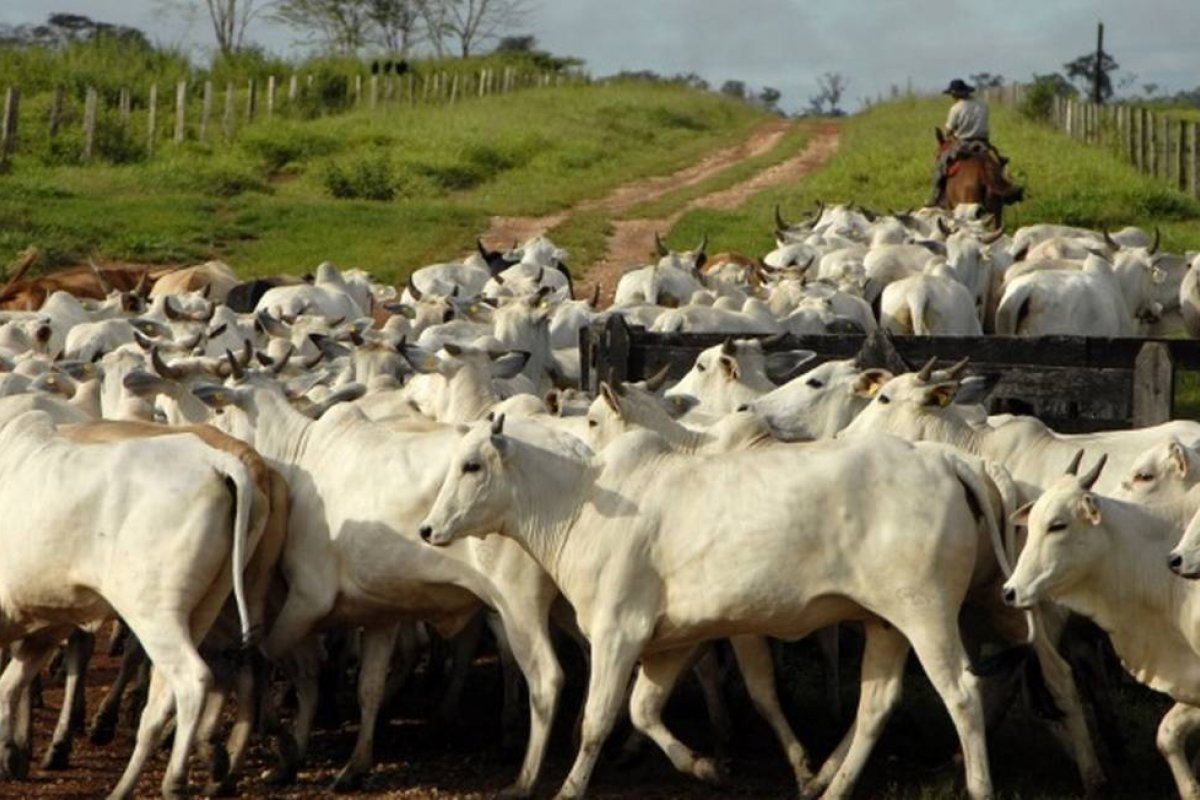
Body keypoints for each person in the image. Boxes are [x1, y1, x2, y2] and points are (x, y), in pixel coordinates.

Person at [928, 78, 1002, 206]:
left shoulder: (956, 108)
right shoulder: (983, 104)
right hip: (983, 142)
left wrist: (948, 134)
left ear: (955, 94)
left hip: (963, 143)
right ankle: (1006, 185)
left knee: (942, 164)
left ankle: (936, 195)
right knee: (998, 161)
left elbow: (948, 130)